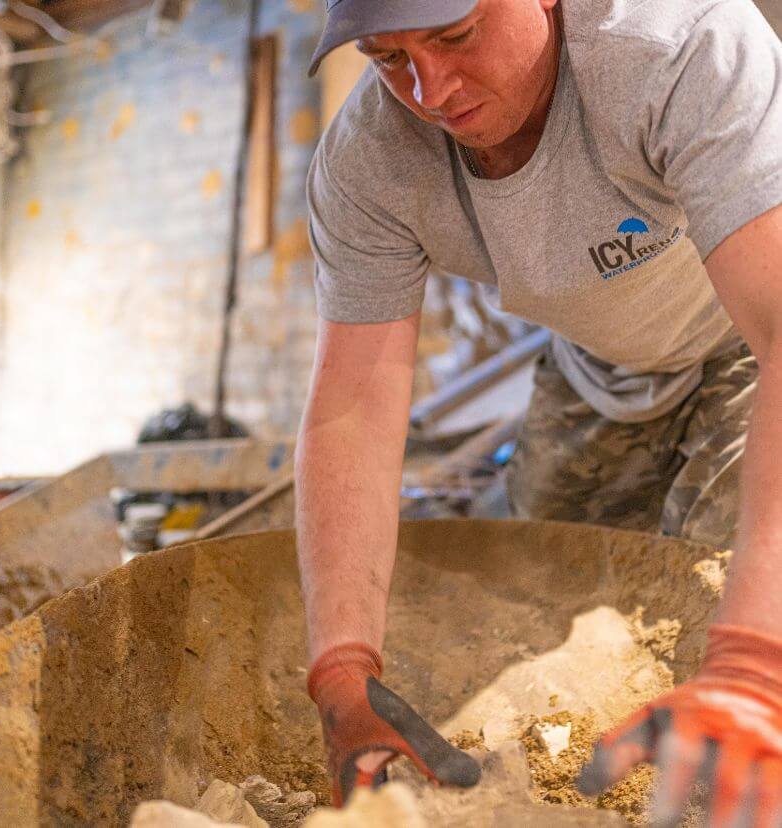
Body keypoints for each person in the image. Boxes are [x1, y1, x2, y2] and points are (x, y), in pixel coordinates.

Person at [295, 0, 782, 822]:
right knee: (542, 614)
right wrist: (343, 669)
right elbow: (353, 410)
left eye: (456, 36)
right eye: (388, 57)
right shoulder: (369, 161)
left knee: (717, 604)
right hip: (598, 362)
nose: (431, 88)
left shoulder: (679, 47)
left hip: (744, 345)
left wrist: (752, 661)